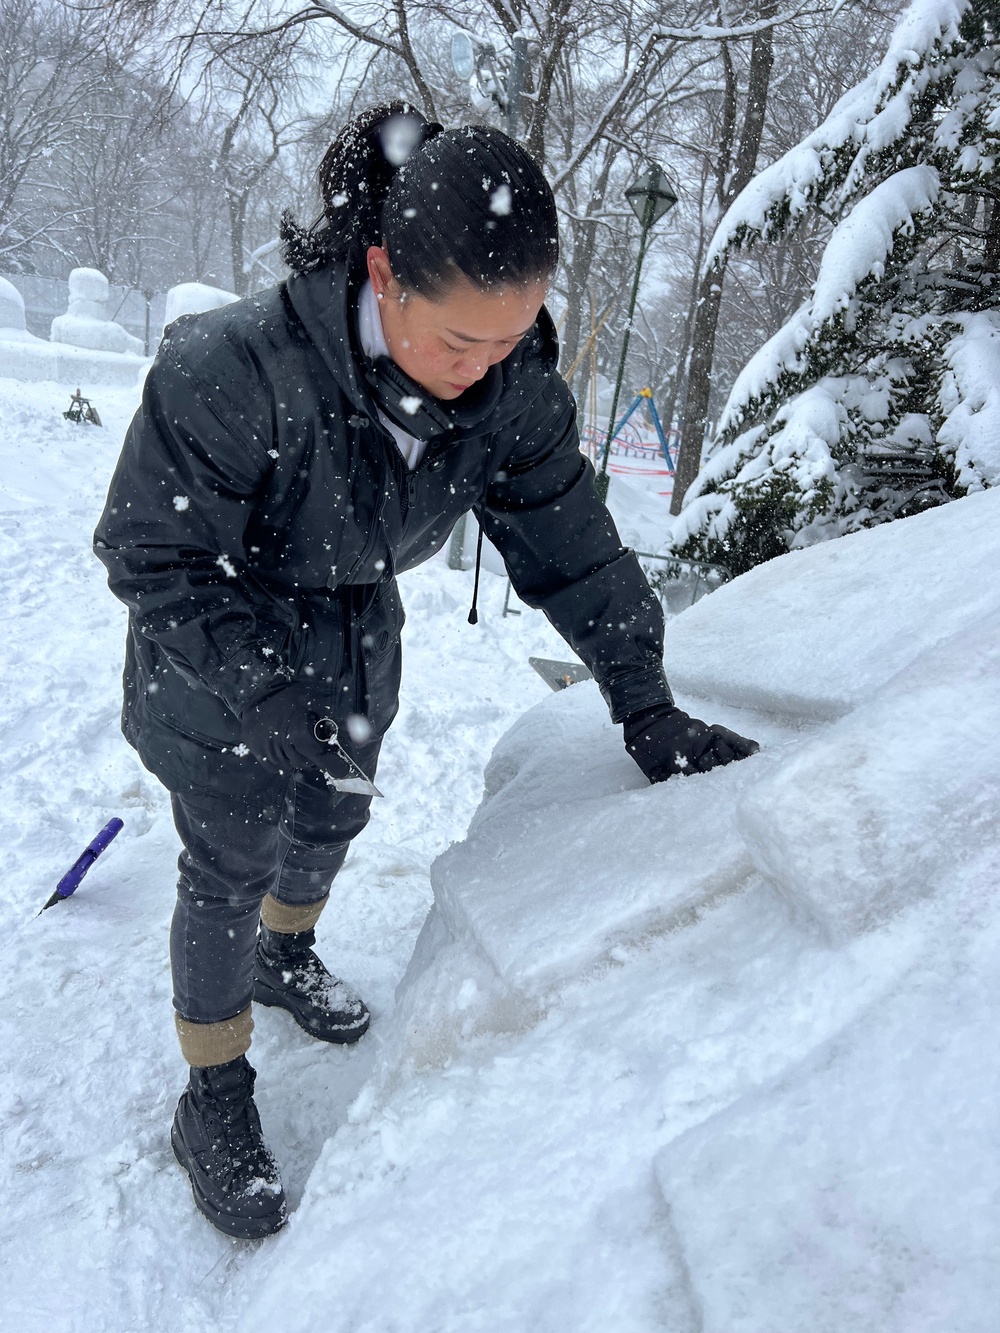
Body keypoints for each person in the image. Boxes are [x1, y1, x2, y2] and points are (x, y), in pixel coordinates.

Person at [94, 102, 758, 1240]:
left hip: (353, 631)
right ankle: (212, 1092)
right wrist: (260, 689)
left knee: (333, 818)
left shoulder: (509, 396)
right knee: (230, 853)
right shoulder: (232, 369)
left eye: (509, 339)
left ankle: (284, 951)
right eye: (458, 341)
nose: (480, 371)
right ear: (383, 272)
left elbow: (572, 544)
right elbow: (150, 554)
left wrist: (644, 705)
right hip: (213, 647)